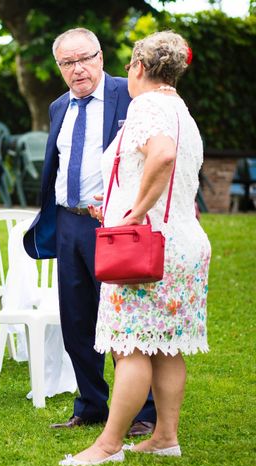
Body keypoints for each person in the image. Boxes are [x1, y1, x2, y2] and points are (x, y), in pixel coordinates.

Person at [60, 31, 211, 466]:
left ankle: (107, 445)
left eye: (128, 65)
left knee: (130, 346)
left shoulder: (144, 107)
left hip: (145, 246)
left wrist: (135, 211)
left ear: (139, 68)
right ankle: (165, 436)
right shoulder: (181, 110)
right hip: (183, 242)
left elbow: (161, 155)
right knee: (167, 344)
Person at [23, 27, 156, 434]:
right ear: (60, 67)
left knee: (123, 317)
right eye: (68, 62)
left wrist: (127, 206)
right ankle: (91, 404)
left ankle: (141, 412)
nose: (78, 69)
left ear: (101, 56)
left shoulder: (130, 96)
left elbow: (151, 154)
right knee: (76, 320)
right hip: (68, 221)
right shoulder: (59, 106)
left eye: (84, 59)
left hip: (113, 225)